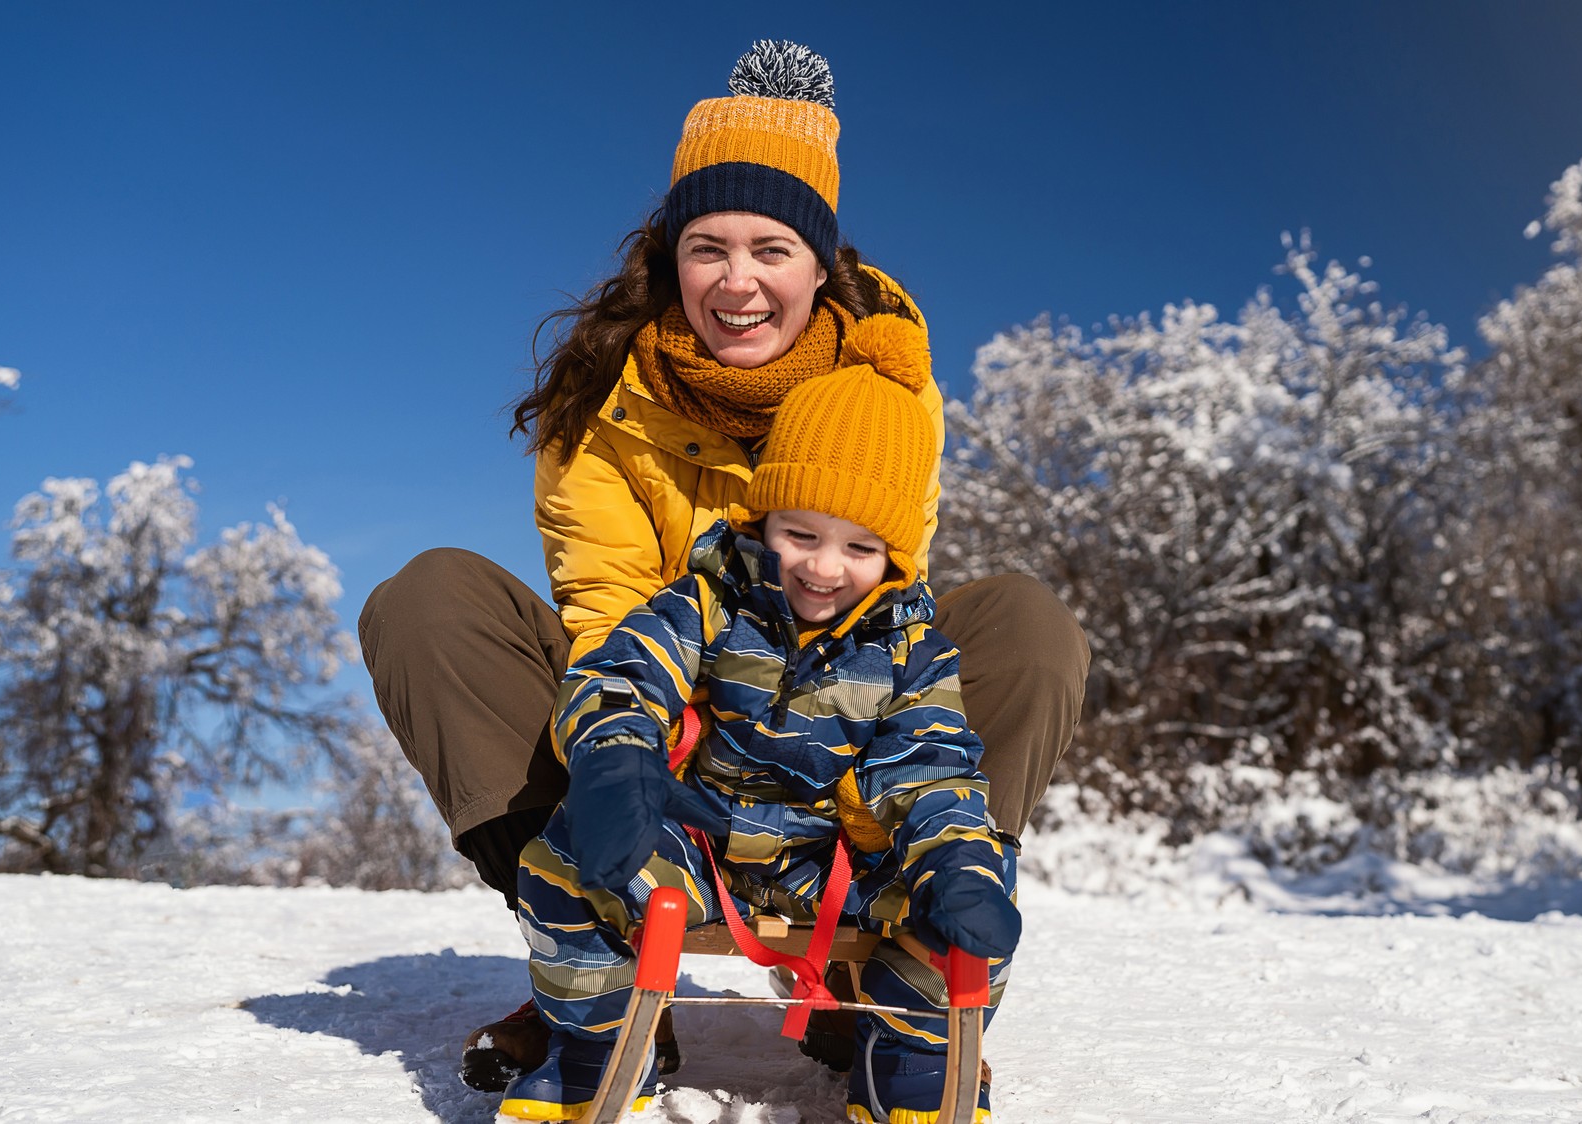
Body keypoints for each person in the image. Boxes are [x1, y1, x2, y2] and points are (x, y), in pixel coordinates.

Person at [355, 39, 1088, 1091]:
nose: (736, 282)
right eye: (707, 247)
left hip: (829, 715)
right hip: (653, 704)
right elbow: (609, 603)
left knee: (1025, 624)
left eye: (770, 249)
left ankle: (913, 961)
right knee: (428, 599)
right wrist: (623, 747)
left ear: (818, 265)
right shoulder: (603, 397)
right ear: (671, 255)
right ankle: (591, 969)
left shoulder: (890, 390)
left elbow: (878, 602)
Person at [502, 323, 1017, 1122]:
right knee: (564, 865)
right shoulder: (707, 604)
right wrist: (616, 756)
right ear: (762, 519)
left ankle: (908, 1073)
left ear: (896, 557)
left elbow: (931, 771)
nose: (822, 566)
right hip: (703, 843)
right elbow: (624, 673)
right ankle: (598, 1058)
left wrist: (955, 858)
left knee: (969, 900)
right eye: (799, 533)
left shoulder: (914, 654)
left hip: (832, 864)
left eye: (859, 546)